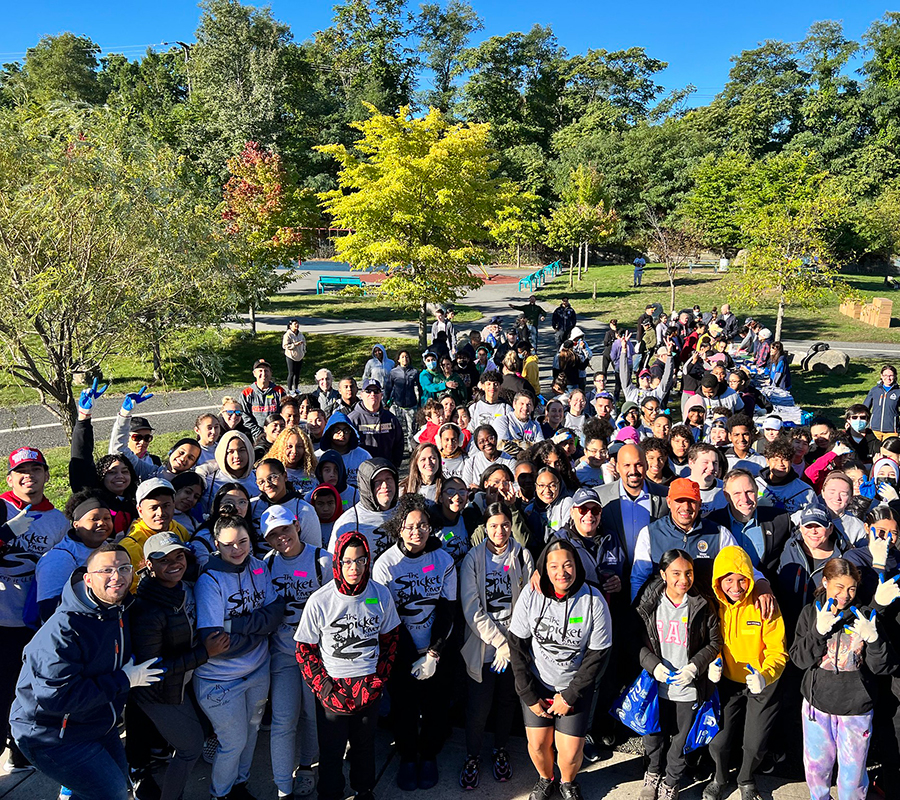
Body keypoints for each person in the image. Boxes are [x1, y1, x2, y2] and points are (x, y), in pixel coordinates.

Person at [9, 543, 164, 800]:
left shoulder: (119, 610)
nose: (117, 576)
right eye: (107, 570)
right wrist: (124, 680)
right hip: (52, 735)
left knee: (111, 787)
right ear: (88, 579)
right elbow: (56, 698)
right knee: (110, 792)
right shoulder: (62, 631)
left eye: (124, 568)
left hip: (97, 722)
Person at [295, 532, 401, 800]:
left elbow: (390, 638)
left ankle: (363, 790)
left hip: (368, 686)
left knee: (364, 746)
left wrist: (379, 679)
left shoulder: (380, 594)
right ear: (337, 563)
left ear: (368, 561)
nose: (354, 568)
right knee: (331, 750)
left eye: (360, 560)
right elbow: (304, 648)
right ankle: (330, 794)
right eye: (347, 561)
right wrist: (324, 687)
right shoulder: (321, 600)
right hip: (334, 689)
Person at [508, 538, 612, 800]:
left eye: (567, 565)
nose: (561, 572)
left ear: (577, 566)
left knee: (570, 753)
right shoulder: (531, 595)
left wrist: (571, 695)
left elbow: (597, 655)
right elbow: (517, 646)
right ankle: (546, 779)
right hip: (539, 683)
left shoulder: (593, 600)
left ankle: (567, 782)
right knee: (538, 745)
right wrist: (528, 694)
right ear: (543, 568)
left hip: (574, 686)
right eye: (553, 566)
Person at [130, 532, 230, 800]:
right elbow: (152, 669)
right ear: (148, 564)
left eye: (178, 556)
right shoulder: (147, 610)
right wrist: (204, 653)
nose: (174, 563)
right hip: (157, 693)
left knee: (197, 738)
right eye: (163, 559)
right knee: (190, 747)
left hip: (182, 683)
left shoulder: (183, 587)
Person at [194, 514, 285, 800]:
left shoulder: (258, 567)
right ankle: (219, 794)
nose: (237, 550)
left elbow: (275, 615)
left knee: (252, 732)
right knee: (233, 742)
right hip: (219, 680)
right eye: (229, 544)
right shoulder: (209, 580)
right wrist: (258, 631)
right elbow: (214, 642)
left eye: (243, 541)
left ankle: (239, 785)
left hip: (258, 670)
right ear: (216, 544)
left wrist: (235, 627)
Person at [790, 558, 897, 800]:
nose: (845, 595)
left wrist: (874, 640)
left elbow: (881, 667)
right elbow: (798, 659)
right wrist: (817, 632)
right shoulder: (810, 614)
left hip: (856, 709)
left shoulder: (866, 615)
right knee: (817, 770)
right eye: (839, 587)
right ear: (825, 582)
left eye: (851, 588)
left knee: (852, 777)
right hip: (817, 707)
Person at [373, 494, 458, 790]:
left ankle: (429, 755)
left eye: (423, 525)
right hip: (401, 650)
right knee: (404, 708)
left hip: (435, 650)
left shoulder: (443, 560)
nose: (417, 531)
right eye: (410, 526)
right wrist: (412, 656)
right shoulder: (385, 565)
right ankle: (408, 757)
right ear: (400, 528)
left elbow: (448, 610)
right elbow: (387, 616)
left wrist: (433, 653)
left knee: (435, 707)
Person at [0, 444, 74, 771]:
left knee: (27, 692)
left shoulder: (57, 520)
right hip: (1, 619)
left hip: (34, 624)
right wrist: (5, 533)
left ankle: (19, 751)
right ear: (10, 478)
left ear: (45, 474)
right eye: (21, 472)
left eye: (35, 470)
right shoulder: (0, 507)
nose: (28, 477)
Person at [458, 502, 534, 789]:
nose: (500, 531)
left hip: (513, 646)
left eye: (504, 525)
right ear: (484, 528)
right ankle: (472, 755)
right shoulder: (473, 559)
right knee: (478, 707)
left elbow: (528, 602)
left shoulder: (522, 555)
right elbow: (472, 608)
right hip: (483, 646)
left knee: (506, 702)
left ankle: (500, 749)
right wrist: (501, 643)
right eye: (493, 526)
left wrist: (511, 644)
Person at [637, 549, 721, 800]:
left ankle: (671, 782)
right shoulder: (648, 602)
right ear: (663, 574)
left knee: (681, 741)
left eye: (688, 573)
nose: (683, 580)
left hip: (687, 687)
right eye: (675, 573)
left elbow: (714, 642)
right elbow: (634, 641)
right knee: (652, 736)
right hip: (656, 684)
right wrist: (653, 665)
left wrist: (695, 666)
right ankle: (652, 773)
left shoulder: (702, 604)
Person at [704, 546, 787, 800]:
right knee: (718, 740)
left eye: (742, 579)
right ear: (719, 581)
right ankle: (719, 777)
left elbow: (778, 651)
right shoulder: (713, 605)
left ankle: (746, 778)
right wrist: (714, 663)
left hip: (762, 682)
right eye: (728, 580)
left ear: (751, 578)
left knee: (754, 742)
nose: (735, 586)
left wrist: (765, 675)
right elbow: (711, 641)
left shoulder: (764, 604)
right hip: (727, 681)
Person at [260, 506, 332, 799]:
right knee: (282, 718)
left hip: (316, 655)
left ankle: (307, 766)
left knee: (313, 716)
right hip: (284, 654)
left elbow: (335, 605)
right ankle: (282, 786)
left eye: (285, 529)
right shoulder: (266, 564)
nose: (281, 538)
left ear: (297, 525)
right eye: (274, 535)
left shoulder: (322, 559)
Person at [34, 489, 115, 622]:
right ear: (76, 524)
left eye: (107, 518)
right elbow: (48, 611)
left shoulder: (109, 549)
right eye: (94, 519)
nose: (102, 523)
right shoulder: (59, 558)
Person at [328, 458, 400, 556]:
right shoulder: (348, 522)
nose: (385, 485)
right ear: (366, 486)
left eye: (389, 479)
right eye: (378, 482)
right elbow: (335, 564)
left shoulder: (407, 513)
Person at [251, 458, 323, 548]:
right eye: (261, 482)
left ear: (285, 476)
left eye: (272, 477)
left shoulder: (303, 509)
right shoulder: (253, 506)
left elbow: (313, 549)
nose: (267, 484)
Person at [196, 430, 258, 515]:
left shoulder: (259, 479)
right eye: (230, 452)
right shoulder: (209, 482)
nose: (237, 456)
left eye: (242, 450)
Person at [348, 378, 405, 468]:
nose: (372, 394)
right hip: (361, 470)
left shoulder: (390, 418)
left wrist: (394, 465)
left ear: (381, 395)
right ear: (361, 394)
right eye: (368, 391)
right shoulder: (352, 419)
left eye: (376, 391)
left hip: (386, 469)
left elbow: (399, 443)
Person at [755, 439, 816, 513]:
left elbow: (815, 517)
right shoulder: (755, 485)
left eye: (785, 459)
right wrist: (757, 507)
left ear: (791, 461)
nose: (780, 463)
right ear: (767, 461)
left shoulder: (805, 491)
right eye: (775, 459)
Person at [241, 359, 288, 440]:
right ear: (254, 373)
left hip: (276, 434)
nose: (263, 374)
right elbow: (245, 416)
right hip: (255, 437)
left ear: (270, 373)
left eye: (266, 371)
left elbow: (284, 413)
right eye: (260, 371)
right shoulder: (247, 393)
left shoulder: (279, 391)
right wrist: (258, 433)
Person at [266, 425, 319, 494]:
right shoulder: (272, 471)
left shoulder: (311, 471)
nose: (294, 451)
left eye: (299, 446)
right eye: (289, 446)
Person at [388, 350, 420, 448]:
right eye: (402, 357)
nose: (405, 359)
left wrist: (420, 403)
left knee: (411, 429)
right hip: (398, 405)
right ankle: (398, 448)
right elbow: (388, 387)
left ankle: (411, 449)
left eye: (406, 357)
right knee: (398, 429)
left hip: (411, 405)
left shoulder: (414, 372)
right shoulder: (393, 372)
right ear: (398, 359)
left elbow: (420, 388)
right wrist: (385, 402)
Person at [864, 364, 900, 441]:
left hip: (892, 431)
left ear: (895, 376)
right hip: (874, 429)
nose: (888, 378)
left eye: (891, 375)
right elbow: (864, 408)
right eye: (885, 375)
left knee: (889, 452)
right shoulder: (874, 390)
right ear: (881, 376)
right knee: (874, 452)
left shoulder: (898, 392)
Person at [282, 320, 307, 394]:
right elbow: (285, 346)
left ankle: (296, 388)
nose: (297, 325)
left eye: (297, 324)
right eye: (295, 324)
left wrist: (303, 351)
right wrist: (295, 345)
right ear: (290, 326)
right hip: (291, 356)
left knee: (297, 373)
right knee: (291, 373)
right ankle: (290, 389)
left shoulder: (300, 334)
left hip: (299, 356)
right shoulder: (287, 334)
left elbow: (304, 343)